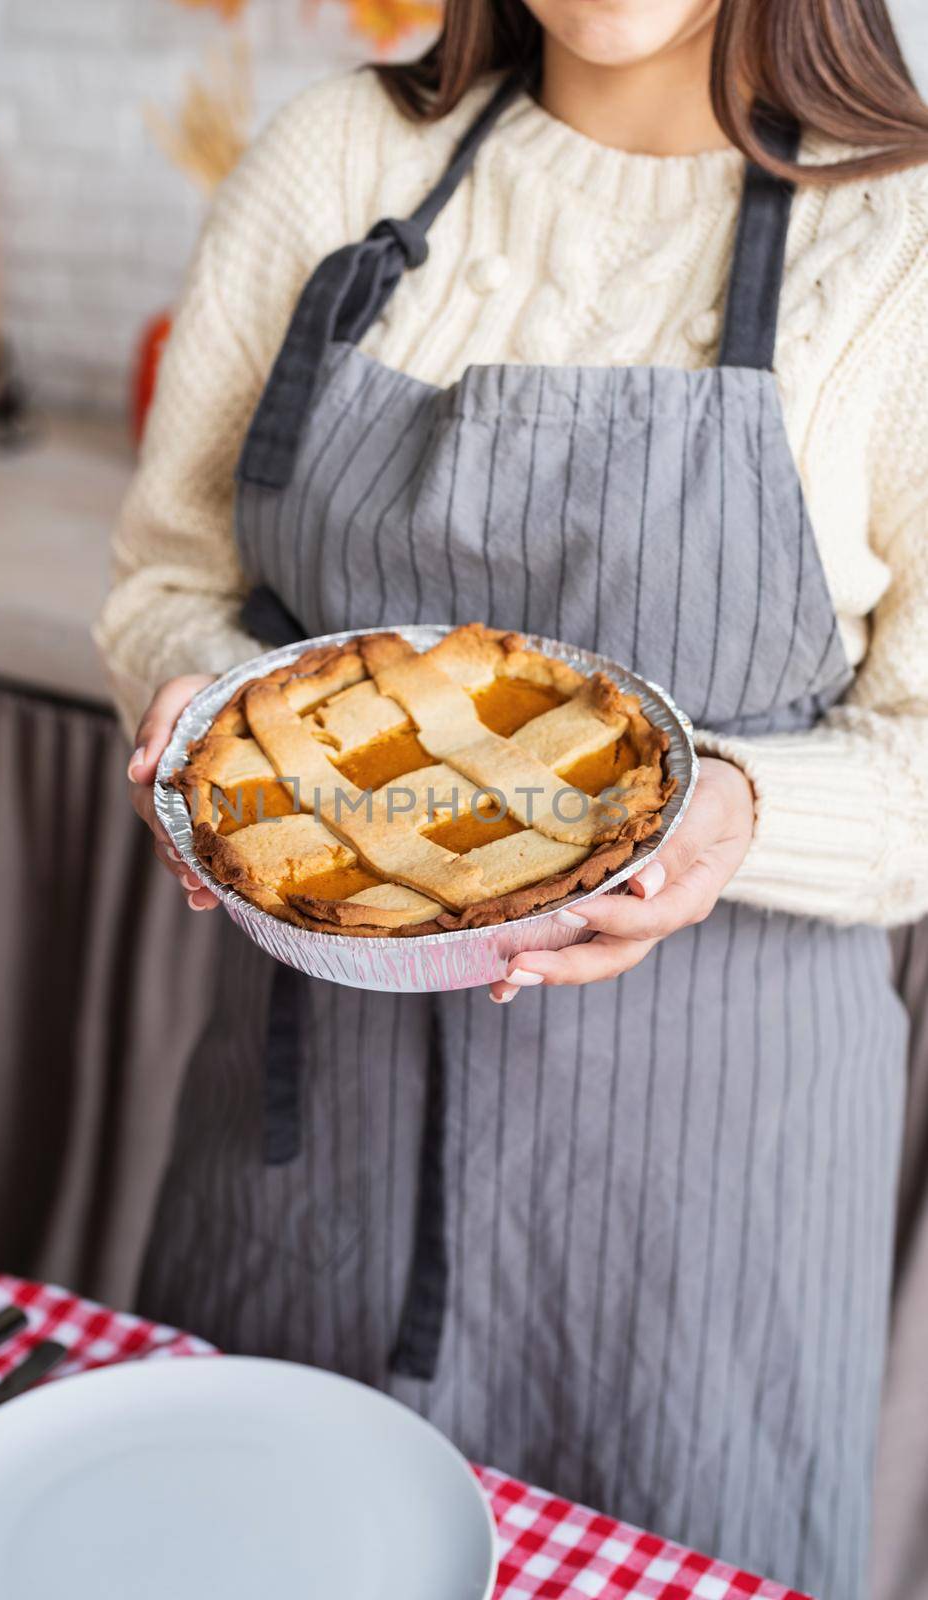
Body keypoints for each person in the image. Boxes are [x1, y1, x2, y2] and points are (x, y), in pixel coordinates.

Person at [94, 3, 928, 1593]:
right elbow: (167, 577)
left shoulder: (901, 246)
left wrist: (733, 813)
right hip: (309, 1134)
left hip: (708, 1182)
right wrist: (202, 716)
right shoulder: (342, 158)